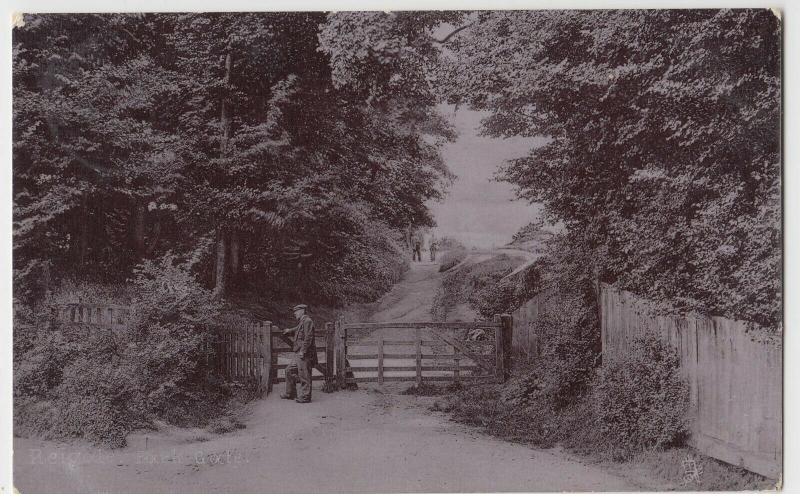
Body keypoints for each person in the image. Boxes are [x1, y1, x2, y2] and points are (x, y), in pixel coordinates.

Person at [280, 304, 317, 403]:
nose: (295, 314)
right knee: (289, 370)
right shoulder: (303, 322)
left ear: (302, 311)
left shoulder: (308, 321)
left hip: (304, 354)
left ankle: (305, 397)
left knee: (304, 375)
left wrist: (303, 351)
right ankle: (290, 393)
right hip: (299, 353)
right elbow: (297, 329)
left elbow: (308, 338)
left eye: (296, 312)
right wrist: (289, 331)